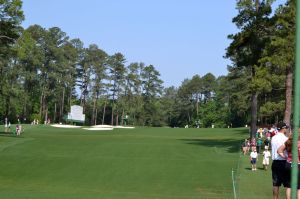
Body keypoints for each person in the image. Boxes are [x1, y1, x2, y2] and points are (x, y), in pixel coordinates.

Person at [277, 133, 300, 199]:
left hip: (288, 164)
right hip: (297, 164)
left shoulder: (288, 141)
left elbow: (279, 150)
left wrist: (285, 157)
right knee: (299, 187)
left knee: (289, 186)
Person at [271, 122, 289, 199]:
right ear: (283, 128)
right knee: (288, 185)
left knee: (276, 184)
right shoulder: (285, 139)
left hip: (275, 162)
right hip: (284, 162)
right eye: (286, 128)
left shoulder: (273, 138)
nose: (286, 129)